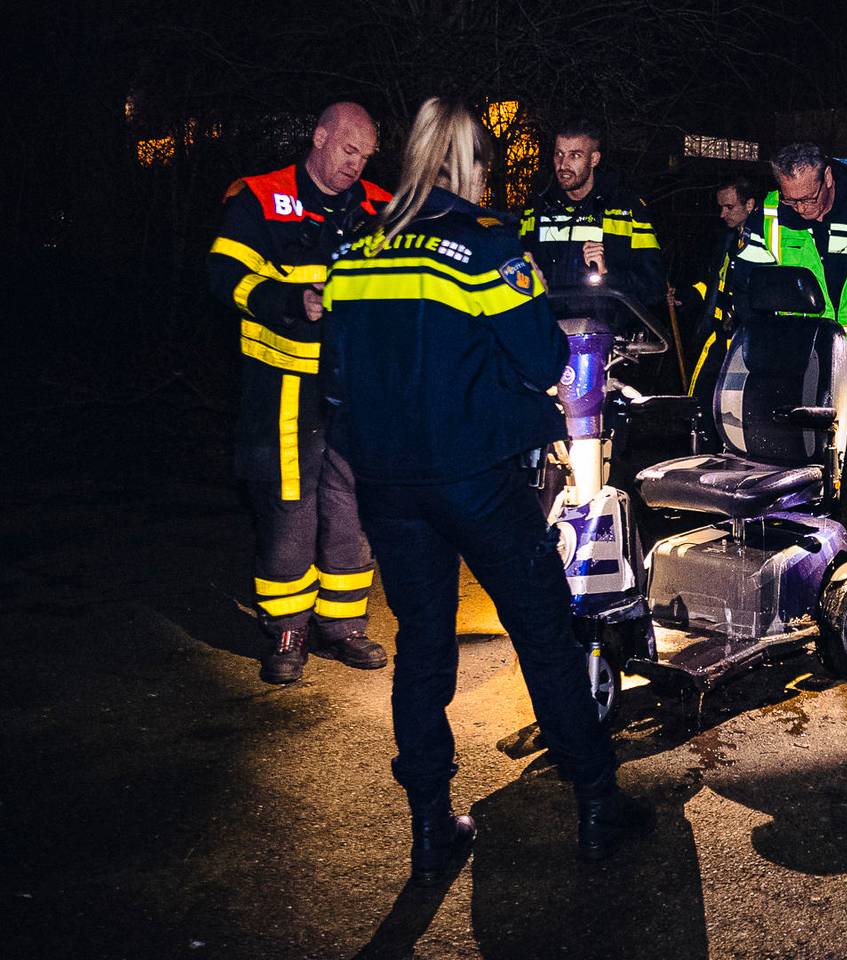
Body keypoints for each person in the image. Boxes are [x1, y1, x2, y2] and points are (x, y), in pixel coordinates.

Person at [323, 98, 653, 884]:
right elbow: (543, 358)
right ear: (469, 163)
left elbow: (341, 368)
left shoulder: (358, 249)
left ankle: (431, 825)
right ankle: (597, 804)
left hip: (388, 485)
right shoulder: (482, 248)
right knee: (544, 633)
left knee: (422, 649)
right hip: (476, 477)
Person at [208, 102, 390, 684]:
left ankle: (345, 626)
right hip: (283, 384)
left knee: (351, 502)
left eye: (365, 157)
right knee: (290, 506)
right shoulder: (260, 197)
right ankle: (287, 630)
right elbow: (225, 277)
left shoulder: (380, 207)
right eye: (347, 151)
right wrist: (291, 302)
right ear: (318, 137)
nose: (355, 167)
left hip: (354, 384)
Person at [734, 142, 847, 570]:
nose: (801, 208)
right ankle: (803, 555)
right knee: (800, 459)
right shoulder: (770, 219)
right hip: (805, 354)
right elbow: (746, 292)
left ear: (828, 177)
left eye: (809, 197)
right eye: (791, 197)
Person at [519, 118, 665, 307]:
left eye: (575, 156)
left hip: (607, 331)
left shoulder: (626, 210)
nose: (563, 165)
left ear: (594, 159)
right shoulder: (536, 209)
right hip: (549, 331)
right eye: (559, 154)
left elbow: (654, 287)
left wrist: (607, 275)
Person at [684, 177, 757, 431]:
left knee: (735, 408)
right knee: (701, 399)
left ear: (749, 204)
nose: (722, 214)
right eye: (721, 207)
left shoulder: (764, 240)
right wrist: (687, 295)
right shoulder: (727, 240)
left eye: (729, 207)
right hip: (718, 335)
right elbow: (714, 282)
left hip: (746, 340)